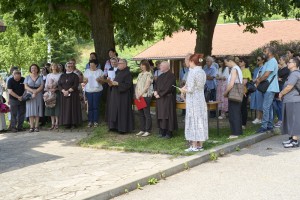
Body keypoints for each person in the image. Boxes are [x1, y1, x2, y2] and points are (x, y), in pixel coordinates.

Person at [179, 54, 208, 152]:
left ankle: (194, 145)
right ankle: (200, 144)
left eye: (190, 61)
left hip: (193, 100)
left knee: (194, 120)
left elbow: (190, 88)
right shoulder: (202, 71)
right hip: (200, 98)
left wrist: (182, 90)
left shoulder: (192, 72)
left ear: (192, 62)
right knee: (200, 119)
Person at [255, 47, 280, 133]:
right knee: (268, 107)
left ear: (269, 53)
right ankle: (269, 125)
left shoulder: (272, 61)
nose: (264, 53)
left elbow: (266, 75)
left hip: (270, 88)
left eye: (265, 51)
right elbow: (263, 73)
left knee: (266, 107)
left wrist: (258, 80)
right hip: (268, 87)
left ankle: (264, 126)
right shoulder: (268, 62)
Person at [107, 58, 134, 133]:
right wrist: (110, 82)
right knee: (114, 110)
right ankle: (114, 126)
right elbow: (115, 82)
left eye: (120, 63)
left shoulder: (127, 73)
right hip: (116, 94)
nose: (118, 64)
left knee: (122, 111)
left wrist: (118, 84)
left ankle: (122, 128)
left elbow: (128, 85)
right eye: (118, 63)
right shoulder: (118, 72)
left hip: (123, 96)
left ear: (125, 64)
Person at [279, 57, 300, 148]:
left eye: (289, 62)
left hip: (293, 100)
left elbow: (289, 87)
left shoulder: (295, 74)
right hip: (290, 100)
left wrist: (281, 93)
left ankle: (295, 141)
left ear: (294, 64)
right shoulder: (292, 74)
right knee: (290, 120)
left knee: (294, 120)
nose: (287, 63)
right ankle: (292, 138)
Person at [154, 61, 178, 139]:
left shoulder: (171, 76)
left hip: (167, 99)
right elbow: (156, 85)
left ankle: (168, 133)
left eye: (161, 66)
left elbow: (168, 88)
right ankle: (162, 131)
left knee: (167, 116)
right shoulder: (160, 76)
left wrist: (159, 94)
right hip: (160, 99)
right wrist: (155, 91)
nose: (159, 67)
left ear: (166, 67)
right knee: (161, 115)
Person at [223, 55, 243, 139]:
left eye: (226, 63)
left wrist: (226, 92)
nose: (226, 65)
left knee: (233, 113)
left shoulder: (234, 69)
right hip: (238, 94)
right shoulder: (238, 68)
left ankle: (235, 133)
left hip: (234, 94)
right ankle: (238, 131)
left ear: (229, 61)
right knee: (236, 112)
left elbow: (231, 84)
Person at [58, 62, 82, 129]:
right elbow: (59, 84)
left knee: (73, 108)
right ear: (65, 67)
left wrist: (68, 91)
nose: (70, 68)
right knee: (66, 109)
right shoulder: (62, 76)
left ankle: (74, 123)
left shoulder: (75, 76)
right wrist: (63, 91)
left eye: (71, 66)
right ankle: (67, 123)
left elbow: (75, 85)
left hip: (73, 95)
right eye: (68, 66)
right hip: (64, 95)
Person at [83, 59, 104, 128]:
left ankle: (95, 121)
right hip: (89, 91)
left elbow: (103, 82)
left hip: (97, 91)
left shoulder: (100, 71)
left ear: (96, 65)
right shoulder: (87, 71)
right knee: (90, 106)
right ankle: (90, 121)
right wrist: (86, 80)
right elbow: (84, 81)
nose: (91, 66)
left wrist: (99, 80)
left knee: (95, 106)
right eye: (90, 65)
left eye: (93, 65)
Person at [135, 60, 154, 137]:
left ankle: (148, 130)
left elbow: (147, 86)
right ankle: (142, 129)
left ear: (146, 65)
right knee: (141, 113)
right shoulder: (139, 74)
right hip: (139, 96)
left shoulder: (149, 74)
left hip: (146, 96)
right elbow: (137, 85)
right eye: (141, 65)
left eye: (143, 65)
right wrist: (136, 94)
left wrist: (140, 94)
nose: (142, 66)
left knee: (146, 113)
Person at [24, 64, 44, 132]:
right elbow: (26, 86)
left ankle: (36, 126)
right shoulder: (27, 77)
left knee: (37, 110)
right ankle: (31, 126)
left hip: (38, 95)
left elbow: (41, 86)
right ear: (30, 69)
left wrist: (36, 92)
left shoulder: (40, 77)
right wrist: (33, 91)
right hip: (29, 95)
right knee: (30, 111)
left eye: (35, 68)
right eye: (32, 68)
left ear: (37, 69)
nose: (33, 70)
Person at [44, 63, 62, 130]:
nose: (54, 67)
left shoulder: (60, 74)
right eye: (52, 66)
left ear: (57, 67)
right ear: (50, 67)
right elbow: (46, 84)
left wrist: (56, 89)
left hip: (57, 92)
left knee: (56, 108)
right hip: (50, 93)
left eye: (55, 65)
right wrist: (49, 89)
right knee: (50, 107)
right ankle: (52, 123)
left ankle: (57, 123)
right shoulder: (49, 75)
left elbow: (61, 84)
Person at [273, 55, 290, 128]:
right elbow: (276, 77)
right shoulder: (280, 69)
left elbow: (284, 79)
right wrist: (277, 78)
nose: (279, 61)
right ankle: (280, 119)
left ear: (284, 60)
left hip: (282, 87)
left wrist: (278, 78)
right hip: (277, 87)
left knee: (280, 104)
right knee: (276, 104)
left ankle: (281, 120)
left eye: (280, 59)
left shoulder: (287, 69)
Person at [251, 55, 265, 124]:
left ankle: (261, 118)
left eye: (259, 60)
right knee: (256, 102)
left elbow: (261, 77)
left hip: (260, 87)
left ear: (263, 60)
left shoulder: (264, 68)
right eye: (257, 60)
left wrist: (256, 80)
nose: (257, 61)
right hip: (255, 87)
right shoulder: (256, 69)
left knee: (260, 102)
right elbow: (254, 77)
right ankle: (258, 117)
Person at [238, 57, 252, 129]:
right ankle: (239, 122)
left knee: (243, 107)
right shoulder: (238, 70)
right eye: (239, 61)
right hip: (238, 90)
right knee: (239, 107)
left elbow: (245, 82)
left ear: (245, 63)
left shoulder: (246, 70)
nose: (239, 62)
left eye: (241, 61)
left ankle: (243, 123)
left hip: (244, 91)